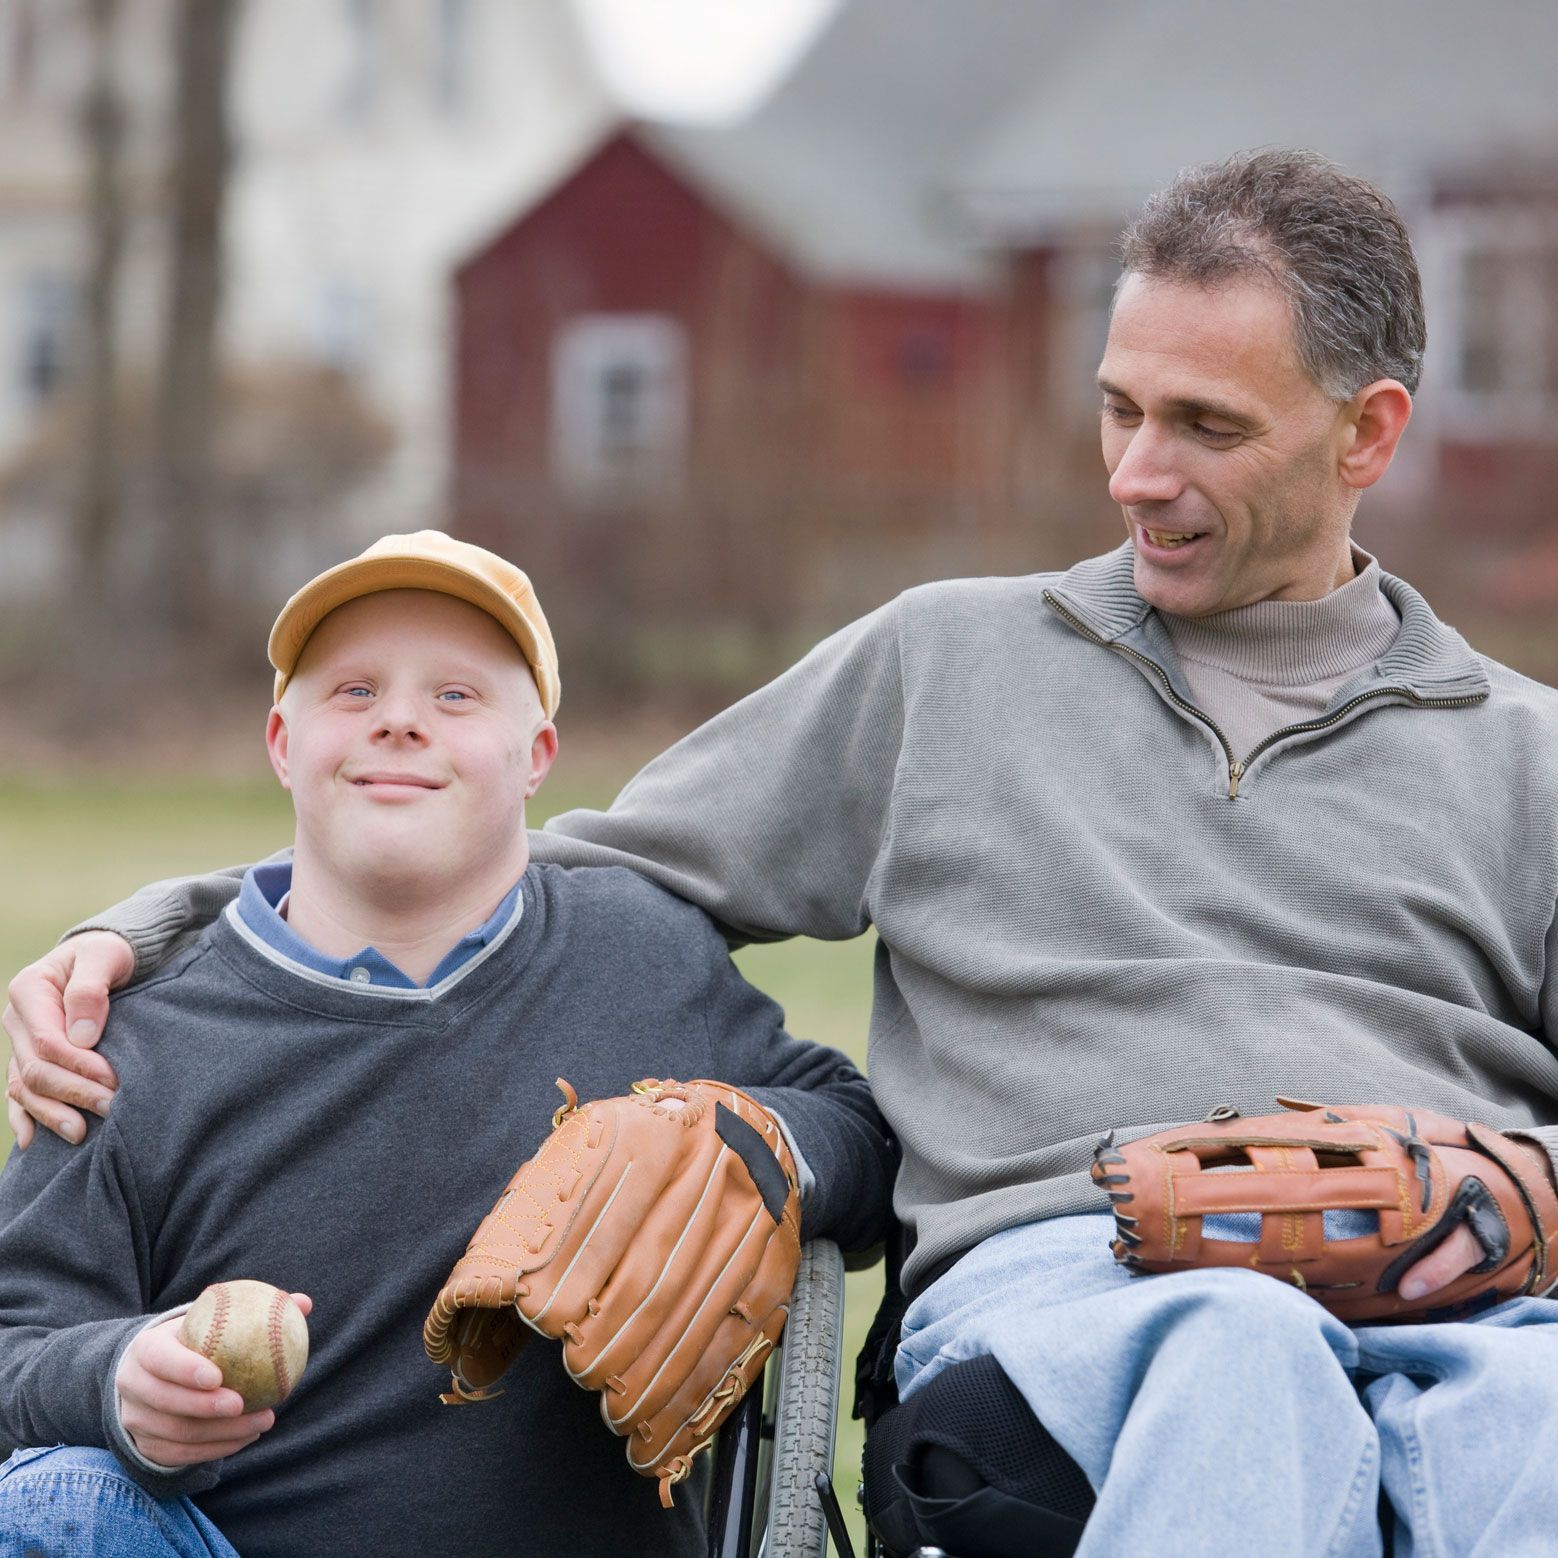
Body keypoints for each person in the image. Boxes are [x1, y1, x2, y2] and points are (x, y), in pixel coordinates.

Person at [11, 147, 1558, 1554]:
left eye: (1203, 427)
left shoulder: (1524, 756)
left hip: (1476, 1299)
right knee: (1246, 1349)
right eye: (1118, 407)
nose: (1133, 474)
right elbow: (562, 863)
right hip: (1084, 1292)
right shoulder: (943, 669)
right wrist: (169, 930)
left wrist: (1503, 1192)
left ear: (1368, 433)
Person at [0, 532, 894, 1557]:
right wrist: (115, 1380)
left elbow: (862, 1136)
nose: (398, 720)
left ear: (537, 758)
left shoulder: (639, 954)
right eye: (352, 691)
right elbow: (14, 1343)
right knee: (53, 1500)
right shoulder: (133, 1039)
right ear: (282, 743)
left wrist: (757, 1141)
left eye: (457, 697)